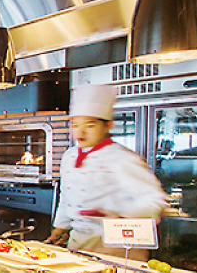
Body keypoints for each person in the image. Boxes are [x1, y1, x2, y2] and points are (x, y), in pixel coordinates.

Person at [47, 84, 167, 258]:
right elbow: (66, 196)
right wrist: (61, 226)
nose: (81, 132)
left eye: (90, 125)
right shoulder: (69, 156)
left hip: (117, 249)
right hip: (79, 243)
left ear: (108, 125)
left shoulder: (122, 158)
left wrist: (115, 214)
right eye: (75, 124)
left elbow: (155, 200)